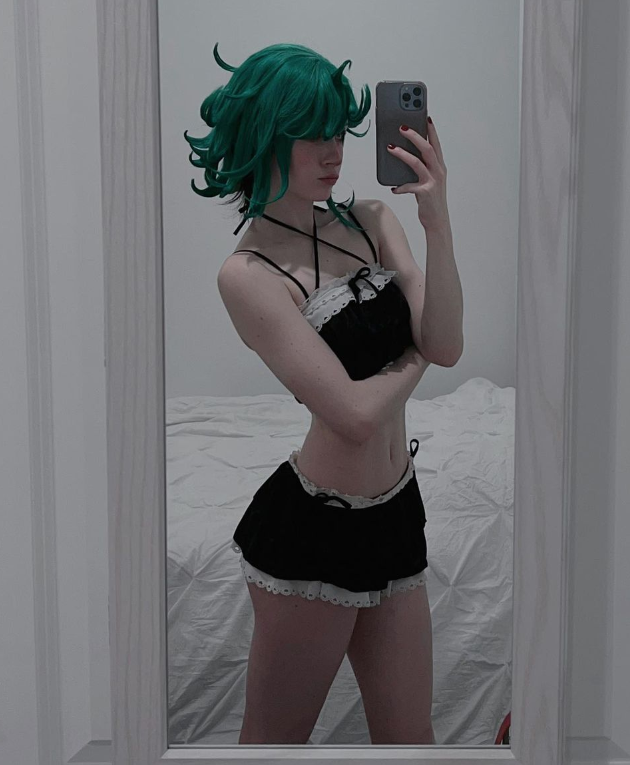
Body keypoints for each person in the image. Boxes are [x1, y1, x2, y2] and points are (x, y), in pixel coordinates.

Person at [184, 42, 436, 746]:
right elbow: (354, 415)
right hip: (314, 528)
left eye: (338, 133)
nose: (333, 152)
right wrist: (421, 351)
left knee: (413, 741)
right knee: (273, 743)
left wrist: (436, 216)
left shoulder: (373, 221)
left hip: (398, 509)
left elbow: (445, 332)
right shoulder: (246, 274)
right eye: (311, 134)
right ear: (265, 135)